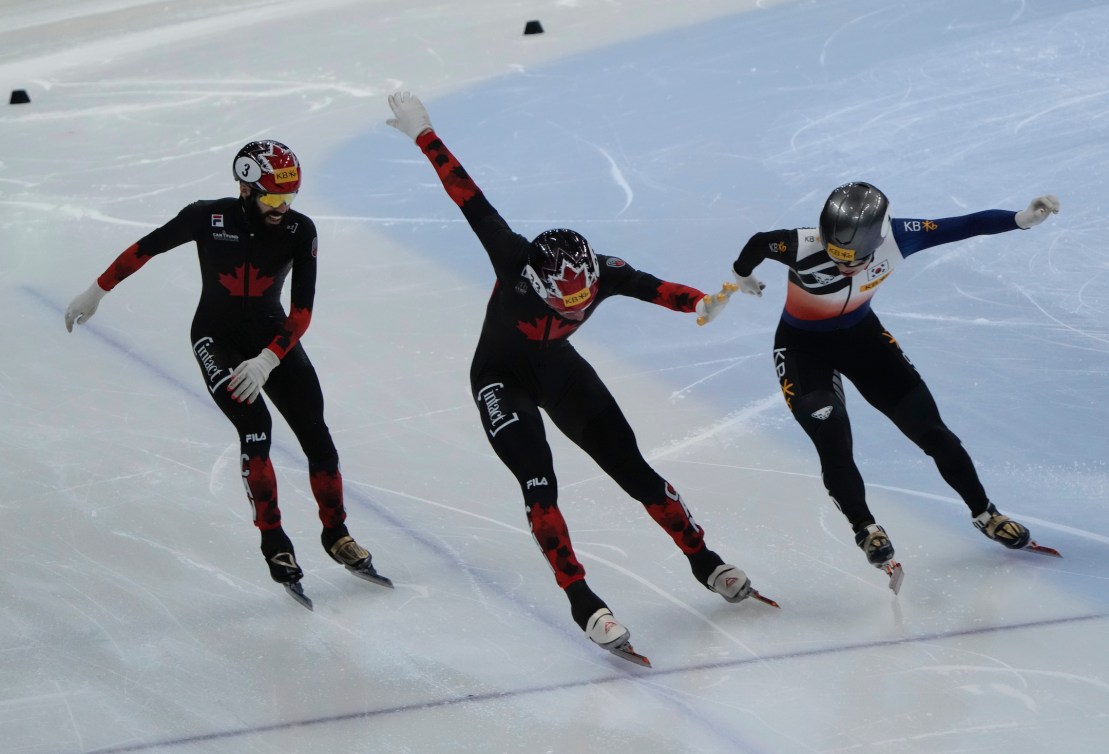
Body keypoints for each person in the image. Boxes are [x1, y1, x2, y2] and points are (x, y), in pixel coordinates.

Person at [386, 91, 768, 662]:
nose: (575, 312)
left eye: (582, 304)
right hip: (500, 380)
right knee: (539, 485)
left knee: (634, 469)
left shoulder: (601, 272)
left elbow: (652, 287)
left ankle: (704, 560)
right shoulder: (512, 258)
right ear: (539, 289)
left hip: (558, 372)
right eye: (565, 308)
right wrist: (424, 133)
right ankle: (582, 600)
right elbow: (467, 195)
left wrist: (704, 302)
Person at [63, 139, 390, 607]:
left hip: (271, 342)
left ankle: (336, 534)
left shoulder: (301, 230)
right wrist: (96, 291)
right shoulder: (206, 217)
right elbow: (145, 248)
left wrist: (268, 358)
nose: (282, 208)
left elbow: (301, 312)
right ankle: (274, 544)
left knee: (317, 436)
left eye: (290, 198)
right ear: (245, 187)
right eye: (273, 198)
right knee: (256, 428)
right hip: (214, 338)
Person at [724, 181, 1059, 586]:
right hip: (802, 352)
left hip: (864, 343)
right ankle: (865, 528)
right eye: (836, 257)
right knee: (831, 436)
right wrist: (741, 274)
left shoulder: (900, 236)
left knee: (934, 433)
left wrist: (1020, 220)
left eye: (856, 261)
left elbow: (964, 224)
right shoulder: (798, 244)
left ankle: (986, 513)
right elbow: (759, 242)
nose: (846, 268)